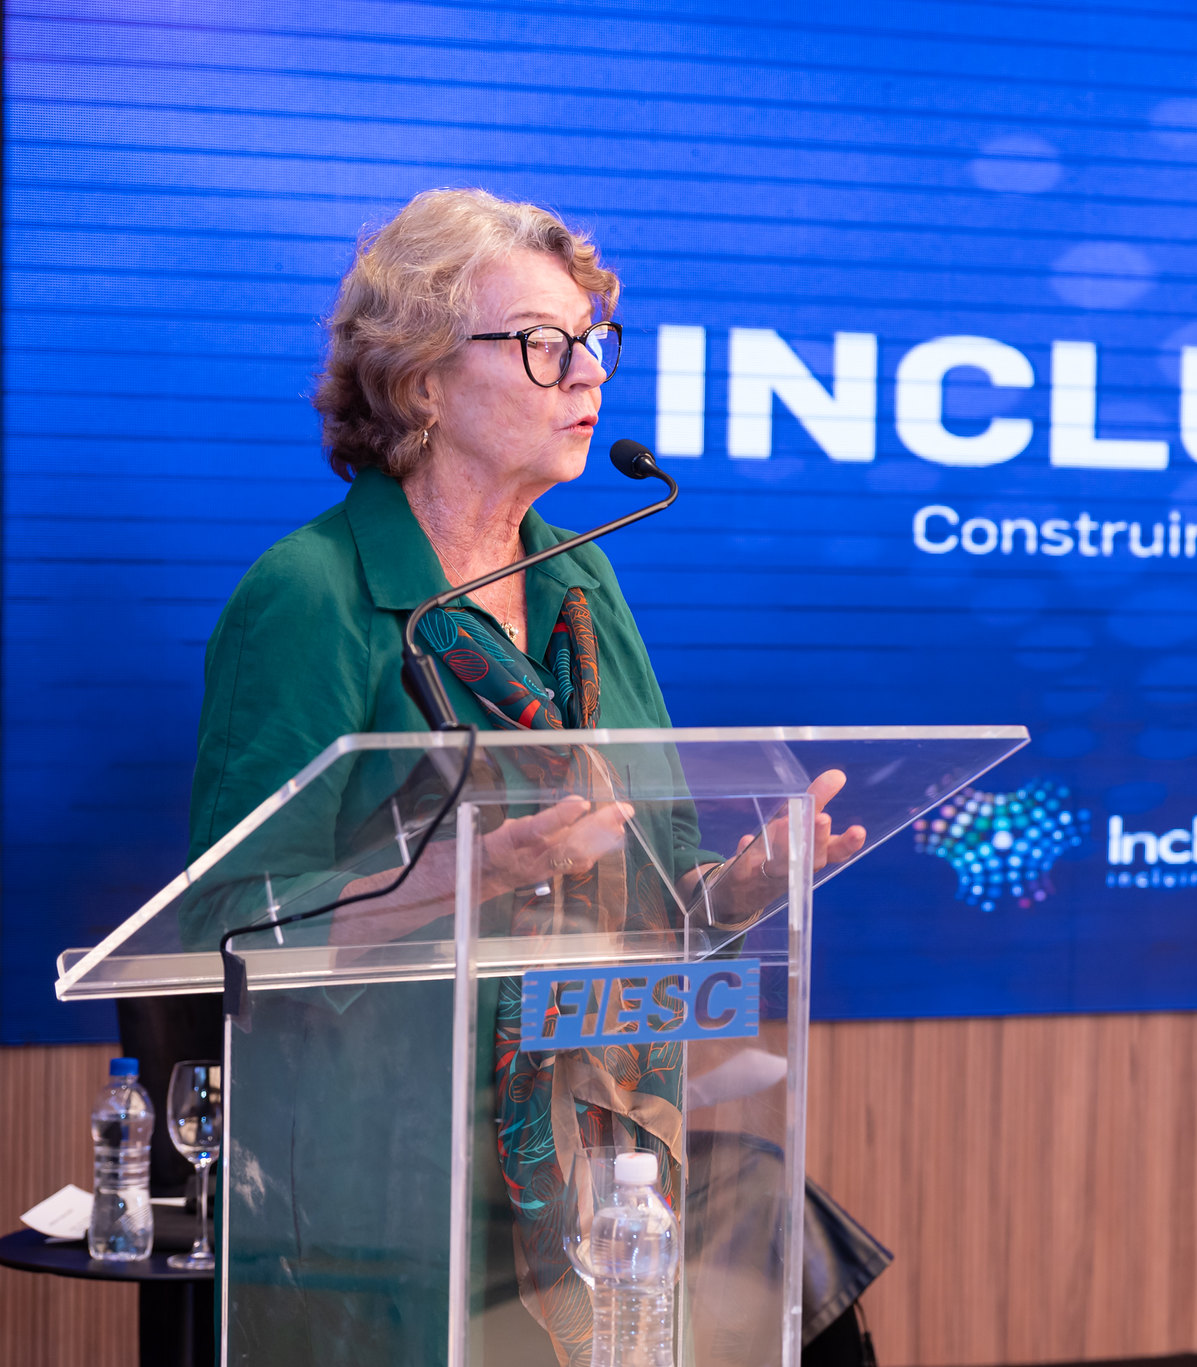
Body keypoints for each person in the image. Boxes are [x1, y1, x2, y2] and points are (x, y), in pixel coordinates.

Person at [186, 187, 886, 1367]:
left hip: (602, 1137)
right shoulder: (310, 597)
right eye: (544, 344)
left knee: (772, 1220)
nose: (588, 374)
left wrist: (739, 888)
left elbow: (656, 862)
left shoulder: (580, 586)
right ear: (421, 378)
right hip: (391, 1169)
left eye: (593, 340)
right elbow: (225, 925)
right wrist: (459, 878)